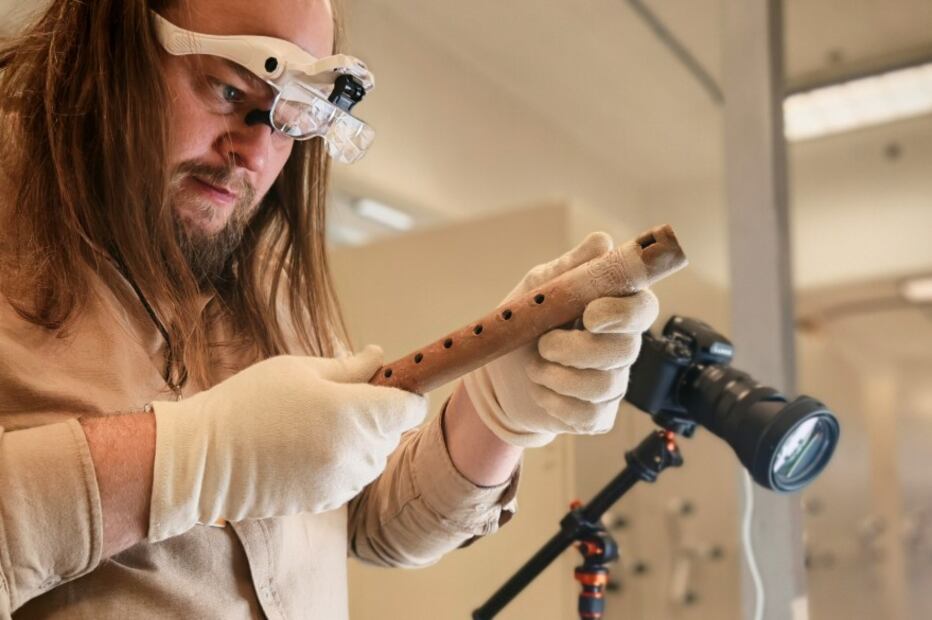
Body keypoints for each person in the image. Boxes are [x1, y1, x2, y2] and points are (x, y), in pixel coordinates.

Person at [0, 0, 658, 617]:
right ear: (111, 40)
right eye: (228, 90)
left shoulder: (260, 273)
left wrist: (497, 412)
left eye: (293, 117)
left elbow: (369, 523)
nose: (256, 156)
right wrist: (188, 462)